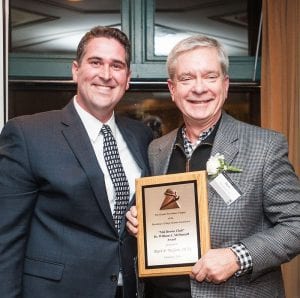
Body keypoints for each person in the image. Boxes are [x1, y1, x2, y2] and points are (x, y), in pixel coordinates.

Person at [126, 35, 300, 297]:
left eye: (210, 76)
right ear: (172, 89)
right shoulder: (157, 149)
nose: (199, 88)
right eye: (186, 78)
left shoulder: (265, 146)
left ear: (225, 85)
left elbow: (296, 224)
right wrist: (139, 221)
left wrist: (237, 257)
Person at [0, 26, 153, 298]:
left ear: (127, 79)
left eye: (116, 66)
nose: (106, 75)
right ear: (75, 70)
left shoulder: (142, 136)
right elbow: (5, 238)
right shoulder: (27, 134)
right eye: (96, 62)